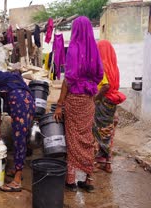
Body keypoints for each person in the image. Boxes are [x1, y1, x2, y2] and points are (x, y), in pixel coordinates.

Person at [54, 16, 104, 193]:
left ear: (75, 30)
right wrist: (88, 85)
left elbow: (68, 79)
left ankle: (71, 180)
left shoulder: (74, 49)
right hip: (88, 100)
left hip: (74, 100)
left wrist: (60, 104)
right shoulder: (94, 49)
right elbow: (99, 75)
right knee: (87, 138)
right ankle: (89, 180)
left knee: (72, 138)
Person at [0, 70, 35, 192]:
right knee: (22, 138)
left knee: (19, 141)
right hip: (30, 102)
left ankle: (17, 181)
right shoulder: (14, 81)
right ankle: (17, 169)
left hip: (19, 104)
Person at [93, 40, 126, 173]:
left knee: (97, 132)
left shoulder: (101, 65)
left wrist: (95, 99)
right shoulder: (114, 67)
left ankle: (95, 163)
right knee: (108, 132)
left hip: (102, 102)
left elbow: (105, 87)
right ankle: (107, 164)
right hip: (112, 103)